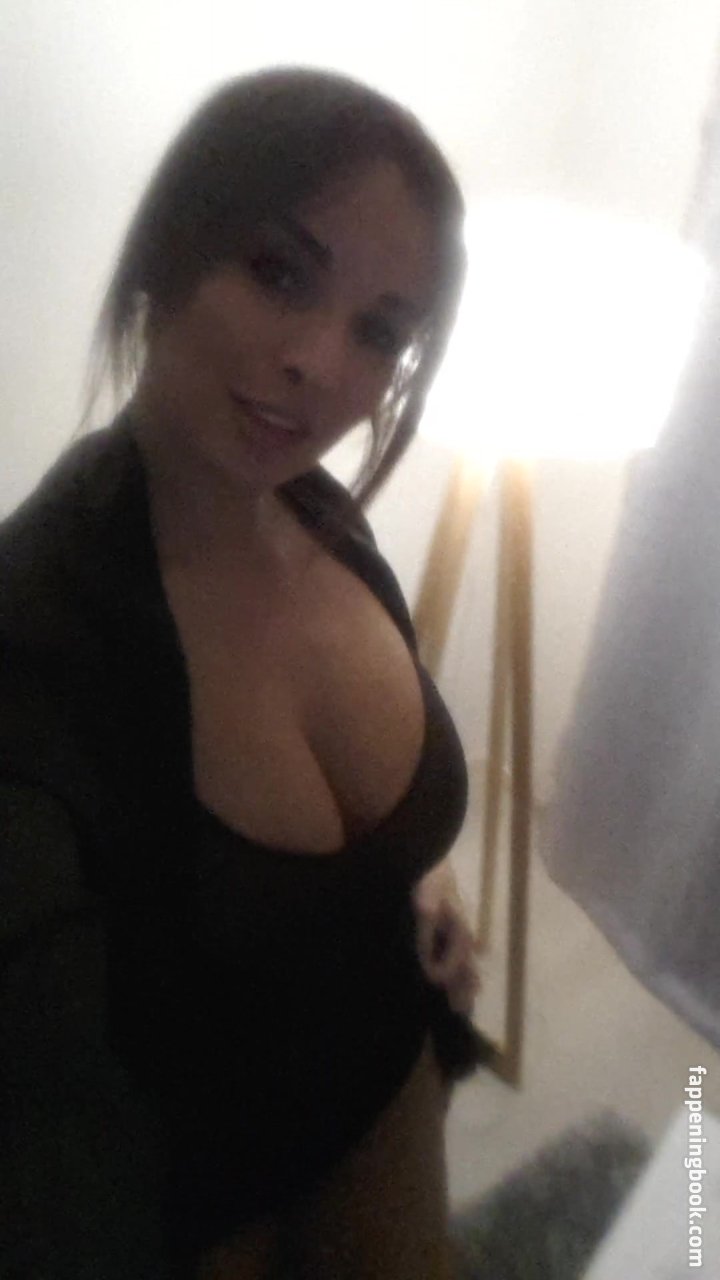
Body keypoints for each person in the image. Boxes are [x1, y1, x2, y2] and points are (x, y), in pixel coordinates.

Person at [0, 66, 488, 1279]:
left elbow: (323, 833)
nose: (320, 362)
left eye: (380, 330)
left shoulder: (320, 514)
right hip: (195, 1188)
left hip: (382, 1074)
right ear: (166, 255)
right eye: (279, 272)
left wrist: (409, 871)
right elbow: (55, 1118)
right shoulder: (37, 641)